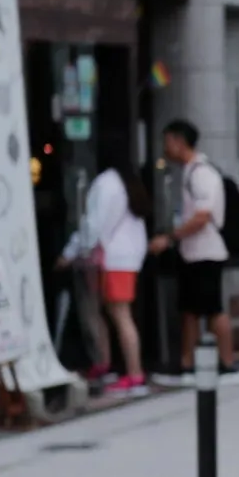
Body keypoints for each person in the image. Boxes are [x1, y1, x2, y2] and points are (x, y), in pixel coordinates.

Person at [147, 120, 230, 373]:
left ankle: (227, 362)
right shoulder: (189, 171)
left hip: (206, 253)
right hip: (193, 253)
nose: (165, 147)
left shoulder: (201, 173)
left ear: (178, 141)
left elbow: (202, 217)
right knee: (190, 311)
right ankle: (186, 361)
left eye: (167, 141)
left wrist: (170, 238)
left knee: (213, 311)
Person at [73, 140, 149, 395]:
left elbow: (95, 223)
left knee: (119, 315)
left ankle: (134, 374)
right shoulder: (128, 183)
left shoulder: (107, 183)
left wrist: (78, 249)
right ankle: (109, 366)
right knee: (112, 312)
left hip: (114, 259)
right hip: (127, 258)